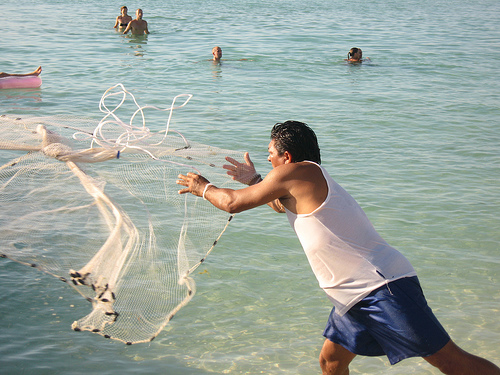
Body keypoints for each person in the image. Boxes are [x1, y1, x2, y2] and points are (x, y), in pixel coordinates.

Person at [177, 121, 500, 375]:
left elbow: (231, 203)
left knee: (451, 363)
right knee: (331, 362)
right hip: (351, 295)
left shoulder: (299, 171)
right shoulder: (303, 178)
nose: (268, 158)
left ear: (286, 157)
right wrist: (255, 180)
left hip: (380, 288)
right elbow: (281, 205)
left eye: (270, 153)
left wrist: (202, 187)